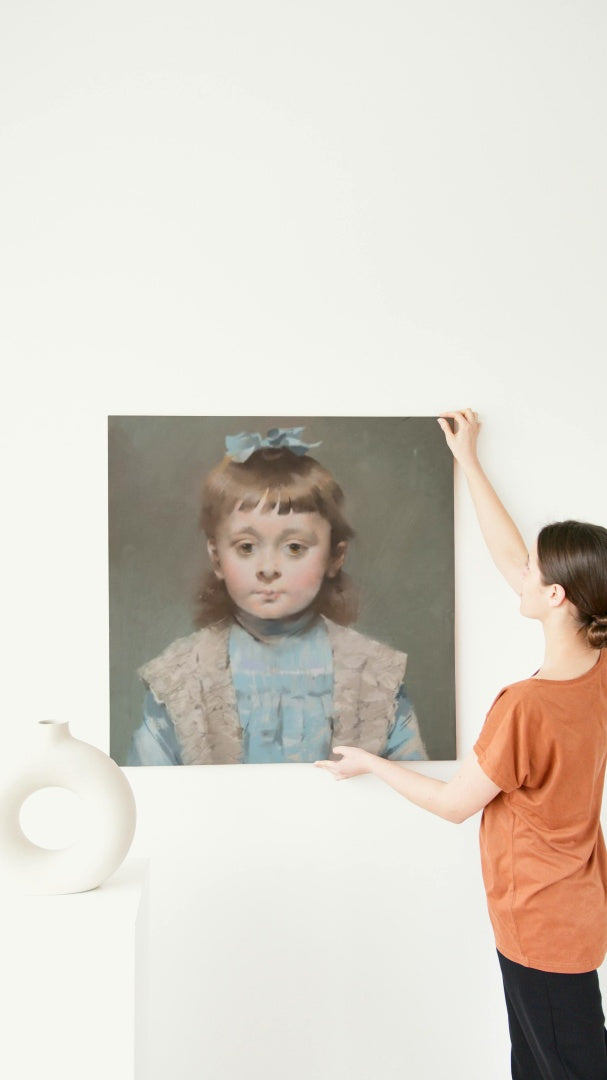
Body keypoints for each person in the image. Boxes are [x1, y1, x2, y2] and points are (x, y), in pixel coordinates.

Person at [316, 408, 607, 1080]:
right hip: (569, 911)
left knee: (561, 1066)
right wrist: (467, 459)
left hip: (541, 925)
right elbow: (513, 558)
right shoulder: (596, 665)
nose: (520, 575)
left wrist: (372, 761)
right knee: (537, 1063)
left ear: (558, 596)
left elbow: (453, 804)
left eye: (534, 574)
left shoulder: (526, 707)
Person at [128, 426, 427, 766]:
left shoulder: (373, 674)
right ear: (216, 557)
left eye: (294, 547)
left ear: (334, 556)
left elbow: (411, 785)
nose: (267, 568)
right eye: (246, 547)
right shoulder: (180, 678)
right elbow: (149, 791)